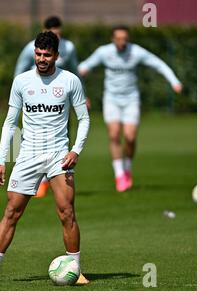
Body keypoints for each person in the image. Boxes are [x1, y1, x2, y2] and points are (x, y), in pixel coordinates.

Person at [0, 31, 90, 285]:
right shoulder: (21, 82)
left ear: (57, 55)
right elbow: (9, 122)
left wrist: (75, 150)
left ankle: (75, 269)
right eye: (38, 54)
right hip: (28, 155)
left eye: (47, 54)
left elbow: (85, 119)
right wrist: (1, 160)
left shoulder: (70, 81)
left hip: (59, 155)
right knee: (12, 211)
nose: (42, 58)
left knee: (66, 212)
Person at [78, 25, 182, 192]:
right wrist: (81, 80)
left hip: (131, 99)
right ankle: (119, 175)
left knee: (130, 137)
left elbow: (158, 64)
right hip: (111, 99)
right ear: (113, 39)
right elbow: (83, 67)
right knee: (114, 134)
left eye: (125, 39)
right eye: (118, 39)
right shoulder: (104, 52)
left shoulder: (136, 52)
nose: (122, 42)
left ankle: (127, 168)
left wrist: (174, 81)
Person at [14, 16, 80, 198]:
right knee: (34, 137)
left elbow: (75, 69)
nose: (55, 36)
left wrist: (83, 95)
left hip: (61, 102)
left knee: (63, 136)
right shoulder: (30, 48)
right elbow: (20, 70)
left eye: (58, 33)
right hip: (35, 102)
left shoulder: (69, 48)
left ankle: (56, 176)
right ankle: (39, 180)